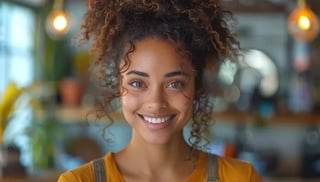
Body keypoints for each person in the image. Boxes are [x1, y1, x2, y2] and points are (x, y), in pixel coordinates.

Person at [58, 0, 262, 181]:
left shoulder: (240, 178)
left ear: (197, 87)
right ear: (119, 85)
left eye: (175, 84)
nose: (155, 102)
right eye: (137, 83)